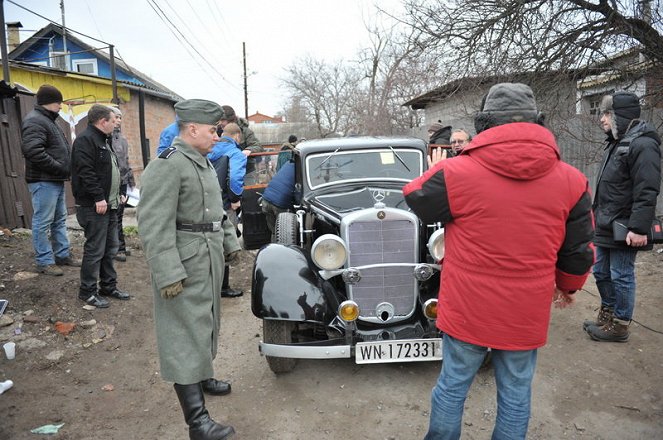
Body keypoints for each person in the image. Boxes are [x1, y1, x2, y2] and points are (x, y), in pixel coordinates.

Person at [403, 82, 595, 440]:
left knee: (452, 388)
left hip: (467, 307)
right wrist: (568, 287)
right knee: (517, 393)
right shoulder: (573, 181)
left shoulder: (457, 173)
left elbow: (416, 197)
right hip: (525, 310)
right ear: (538, 122)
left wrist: (437, 167)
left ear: (484, 123)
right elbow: (578, 249)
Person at [137, 99, 240, 440]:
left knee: (205, 322)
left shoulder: (203, 162)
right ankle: (198, 424)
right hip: (183, 262)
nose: (217, 136)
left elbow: (217, 210)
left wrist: (229, 243)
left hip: (205, 257)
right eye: (213, 130)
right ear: (192, 129)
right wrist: (167, 273)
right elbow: (153, 224)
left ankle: (202, 374)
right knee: (183, 334)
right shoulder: (168, 164)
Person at [583, 91, 661, 342]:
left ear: (620, 116)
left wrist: (638, 228)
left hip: (625, 226)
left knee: (621, 274)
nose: (602, 120)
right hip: (606, 222)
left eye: (606, 114)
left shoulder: (643, 144)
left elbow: (647, 189)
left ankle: (619, 325)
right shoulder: (618, 142)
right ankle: (608, 313)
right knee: (601, 271)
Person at [71, 104, 130, 309]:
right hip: (96, 206)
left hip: (110, 205)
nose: (116, 124)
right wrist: (98, 197)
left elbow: (115, 169)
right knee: (95, 249)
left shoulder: (104, 140)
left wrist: (121, 192)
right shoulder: (86, 140)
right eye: (113, 120)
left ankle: (108, 286)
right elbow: (85, 172)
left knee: (110, 247)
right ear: (102, 121)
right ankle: (87, 292)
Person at [20, 84, 80, 276]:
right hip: (43, 180)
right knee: (43, 221)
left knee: (59, 220)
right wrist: (59, 167)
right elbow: (32, 151)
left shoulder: (47, 120)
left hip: (54, 180)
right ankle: (44, 261)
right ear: (48, 102)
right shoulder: (35, 121)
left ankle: (62, 255)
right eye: (58, 102)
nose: (60, 106)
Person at [208, 122, 247, 298]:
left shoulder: (210, 148)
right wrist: (235, 199)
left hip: (207, 201)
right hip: (224, 203)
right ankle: (223, 287)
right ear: (237, 136)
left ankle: (210, 285)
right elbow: (235, 178)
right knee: (226, 244)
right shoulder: (235, 153)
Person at [109, 107, 135, 262]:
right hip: (115, 182)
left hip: (123, 181)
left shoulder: (121, 138)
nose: (119, 120)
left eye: (120, 117)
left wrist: (130, 179)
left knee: (119, 216)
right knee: (114, 216)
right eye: (116, 117)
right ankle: (118, 248)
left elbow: (125, 161)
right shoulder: (107, 138)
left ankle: (120, 246)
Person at [219, 105, 263, 185]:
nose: (220, 123)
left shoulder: (245, 131)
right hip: (224, 172)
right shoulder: (217, 131)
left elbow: (257, 146)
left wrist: (248, 150)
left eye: (223, 120)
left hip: (246, 171)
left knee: (248, 194)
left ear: (230, 120)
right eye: (219, 120)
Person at [261, 160, 296, 237]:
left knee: (274, 232)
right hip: (279, 203)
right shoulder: (301, 168)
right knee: (285, 234)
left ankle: (274, 247)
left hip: (266, 199)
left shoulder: (288, 163)